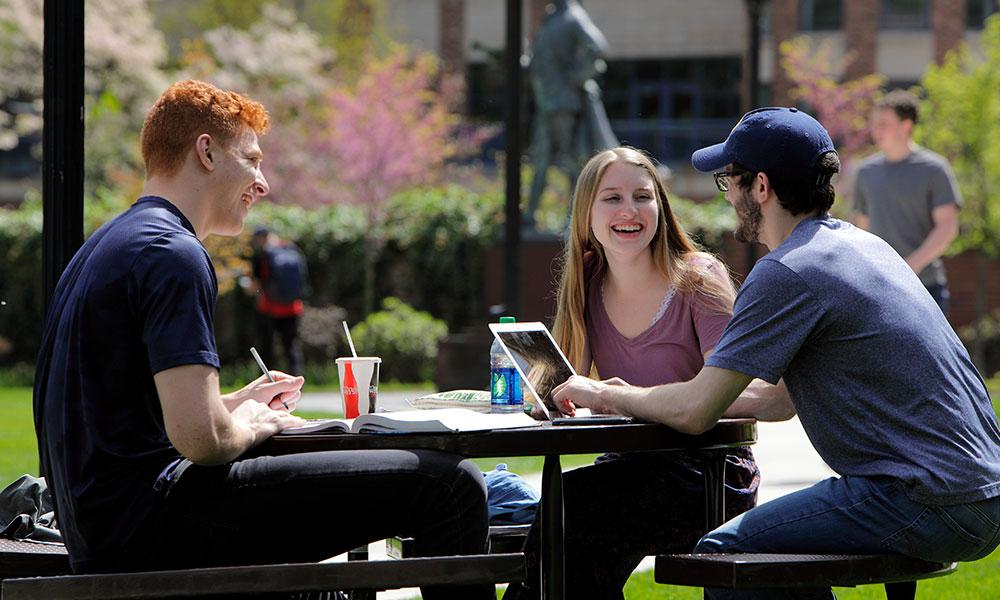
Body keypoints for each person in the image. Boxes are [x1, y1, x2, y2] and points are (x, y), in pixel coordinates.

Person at [33, 80, 493, 600]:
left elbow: (125, 419)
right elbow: (202, 440)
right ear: (206, 151)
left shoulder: (105, 246)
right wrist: (248, 423)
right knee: (452, 486)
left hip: (107, 528)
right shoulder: (172, 253)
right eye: (251, 160)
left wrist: (233, 402)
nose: (263, 182)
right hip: (154, 526)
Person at [552, 108, 1000, 599]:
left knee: (726, 553)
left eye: (729, 181)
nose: (728, 197)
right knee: (766, 546)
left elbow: (697, 411)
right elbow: (777, 400)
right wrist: (645, 396)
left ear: (760, 188)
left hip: (922, 498)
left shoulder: (786, 271)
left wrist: (609, 394)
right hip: (980, 492)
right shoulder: (862, 247)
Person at [503, 147, 792, 600]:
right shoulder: (587, 285)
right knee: (567, 527)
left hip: (709, 474)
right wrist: (550, 397)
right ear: (586, 214)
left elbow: (752, 390)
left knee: (574, 506)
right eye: (612, 198)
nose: (630, 210)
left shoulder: (699, 279)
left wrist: (625, 396)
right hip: (628, 466)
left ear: (660, 206)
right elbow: (572, 393)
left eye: (642, 196)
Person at [854, 89, 962, 315]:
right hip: (878, 288)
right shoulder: (865, 172)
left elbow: (948, 227)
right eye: (874, 123)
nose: (876, 130)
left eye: (884, 123)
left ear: (906, 126)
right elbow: (861, 230)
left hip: (926, 288)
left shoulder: (934, 169)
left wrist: (909, 266)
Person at [524, 0, 619, 230]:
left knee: (571, 160)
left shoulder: (573, 16)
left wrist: (576, 77)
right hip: (546, 103)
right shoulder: (551, 18)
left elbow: (597, 46)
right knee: (540, 158)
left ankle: (572, 219)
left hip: (563, 103)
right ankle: (529, 216)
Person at [251, 226, 306, 375]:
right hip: (293, 306)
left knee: (267, 347)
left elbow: (256, 286)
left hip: (269, 308)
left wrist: (254, 292)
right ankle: (297, 379)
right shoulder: (290, 248)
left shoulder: (261, 255)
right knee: (291, 345)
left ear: (260, 238)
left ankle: (266, 381)